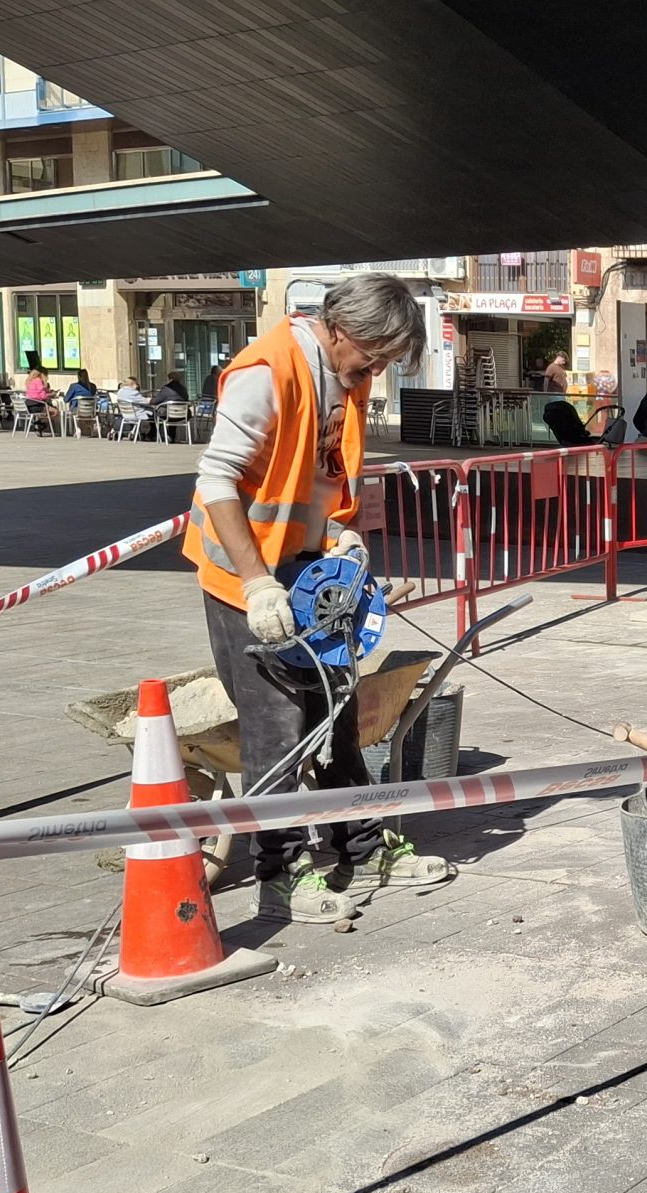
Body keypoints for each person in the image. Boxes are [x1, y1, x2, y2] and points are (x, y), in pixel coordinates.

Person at [183, 272, 452, 924]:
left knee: (339, 714)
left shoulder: (344, 380)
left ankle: (363, 847)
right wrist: (256, 584)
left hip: (311, 574)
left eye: (390, 359)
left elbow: (316, 482)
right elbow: (219, 478)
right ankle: (282, 873)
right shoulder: (269, 371)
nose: (379, 369)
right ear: (339, 329)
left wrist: (343, 538)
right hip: (248, 582)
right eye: (375, 354)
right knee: (277, 730)